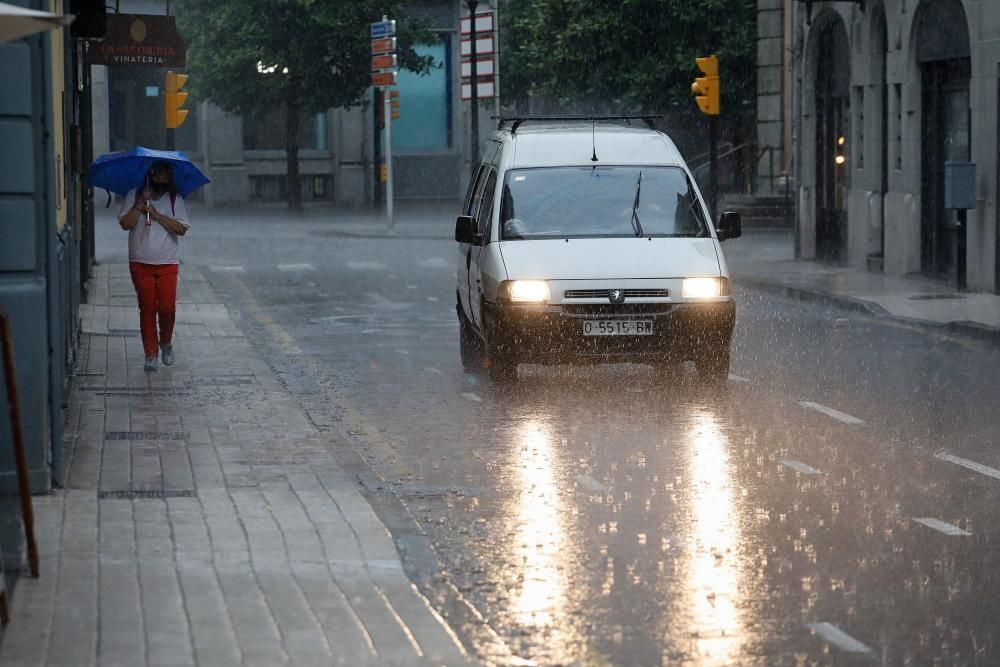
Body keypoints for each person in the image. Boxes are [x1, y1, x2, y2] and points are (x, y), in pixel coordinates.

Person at [117, 160, 190, 371]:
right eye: (158, 175)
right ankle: (151, 354)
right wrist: (140, 205)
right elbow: (125, 224)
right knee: (147, 308)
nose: (162, 179)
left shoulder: (176, 200)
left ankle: (165, 342)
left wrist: (157, 214)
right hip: (140, 261)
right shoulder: (134, 195)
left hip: (167, 261)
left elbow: (181, 229)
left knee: (167, 307)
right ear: (150, 174)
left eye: (166, 175)